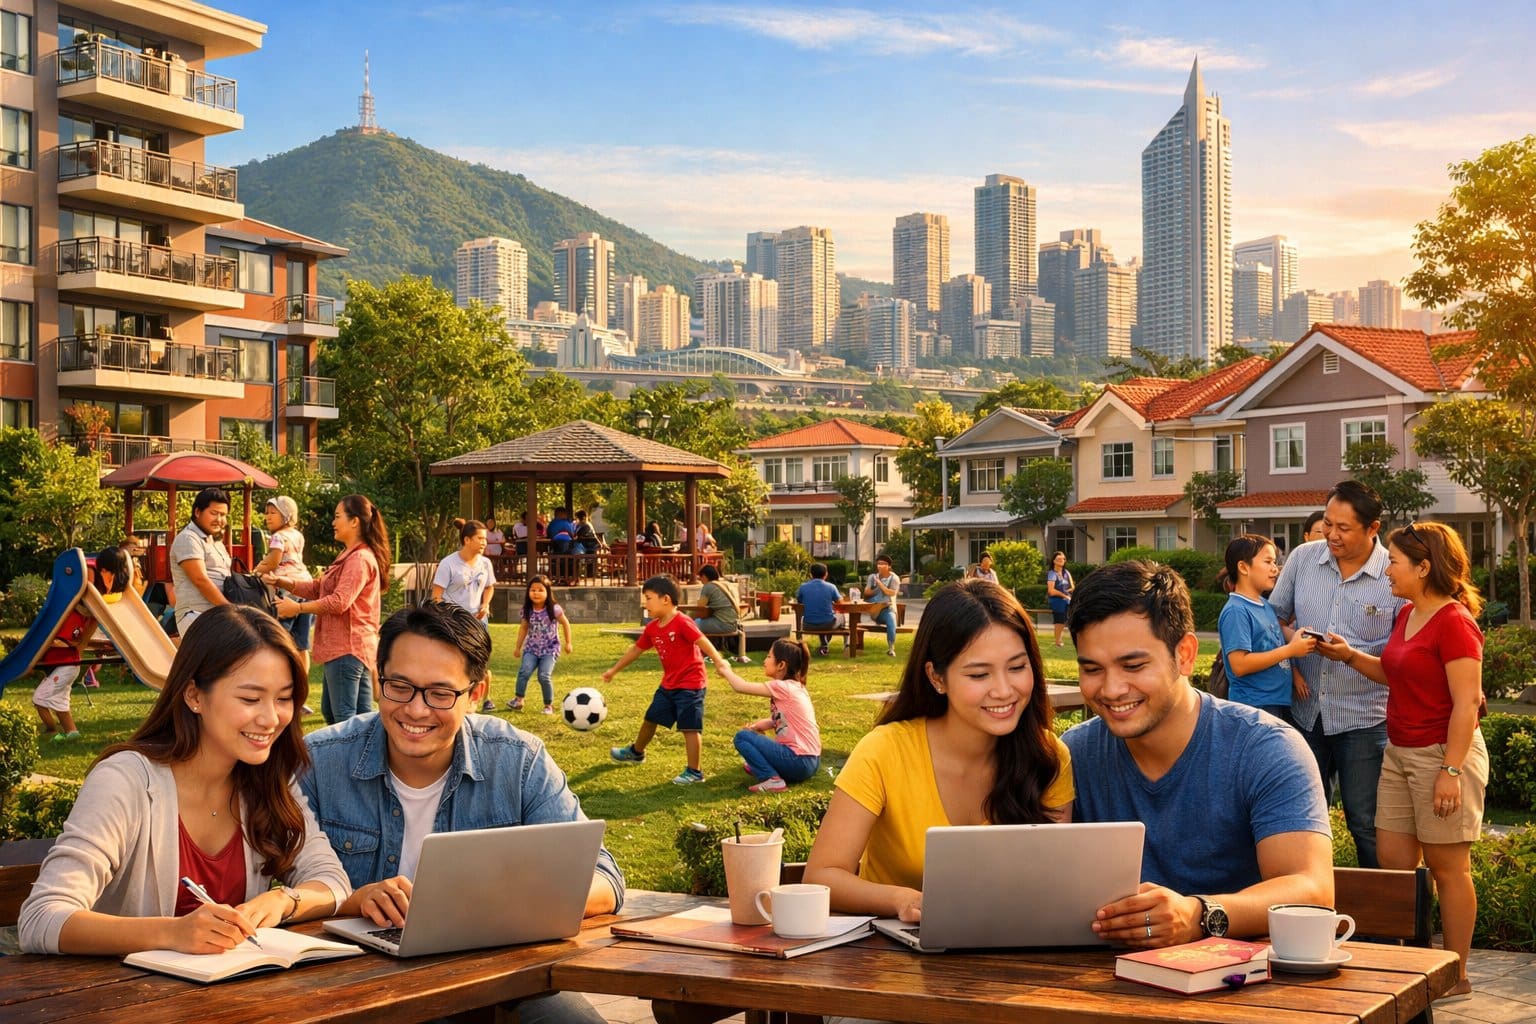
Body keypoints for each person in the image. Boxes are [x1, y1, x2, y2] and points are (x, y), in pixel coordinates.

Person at [298, 602, 620, 1024]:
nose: (416, 710)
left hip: (500, 982)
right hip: (352, 984)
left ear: (477, 692)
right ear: (378, 680)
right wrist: (354, 901)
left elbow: (603, 879)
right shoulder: (319, 762)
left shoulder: (517, 760)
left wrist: (494, 906)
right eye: (400, 686)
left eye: (440, 693)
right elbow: (279, 890)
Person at [19, 605, 350, 955]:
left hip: (237, 988)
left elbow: (332, 881)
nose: (271, 718)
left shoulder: (267, 779)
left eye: (284, 698)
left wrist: (284, 900)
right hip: (123, 989)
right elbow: (41, 917)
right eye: (251, 698)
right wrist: (173, 932)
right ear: (194, 695)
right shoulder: (125, 781)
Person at [1064, 560, 1332, 947]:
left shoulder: (1266, 748)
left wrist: (1198, 915)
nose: (1111, 689)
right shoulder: (1074, 756)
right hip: (1100, 976)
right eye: (1092, 669)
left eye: (1133, 665)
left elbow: (1312, 889)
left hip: (1244, 976)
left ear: (1185, 654)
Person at [804, 579, 1073, 920]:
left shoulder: (1048, 756)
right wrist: (901, 901)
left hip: (1012, 947)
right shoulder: (884, 750)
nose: (1004, 690)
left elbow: (1055, 883)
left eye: (1017, 668)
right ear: (937, 678)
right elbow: (822, 876)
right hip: (890, 950)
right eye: (979, 675)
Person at [1327, 522, 1487, 999]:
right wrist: (1349, 656)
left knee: (1448, 868)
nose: (1387, 570)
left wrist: (1451, 771)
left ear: (1423, 567)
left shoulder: (1455, 623)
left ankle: (1456, 974)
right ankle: (1413, 966)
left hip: (1443, 754)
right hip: (1399, 752)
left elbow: (1466, 703)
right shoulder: (1407, 614)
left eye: (1394, 562)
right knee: (1394, 866)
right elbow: (1395, 672)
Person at [1269, 480, 1404, 868]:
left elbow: (1400, 657)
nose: (1331, 535)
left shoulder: (1393, 575)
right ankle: (1310, 895)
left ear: (1373, 528)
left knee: (1366, 823)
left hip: (1364, 719)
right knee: (1301, 821)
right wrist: (1296, 641)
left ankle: (1379, 906)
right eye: (1328, 524)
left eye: (1343, 528)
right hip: (1305, 712)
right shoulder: (1303, 558)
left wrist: (1349, 656)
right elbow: (1274, 617)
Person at [270, 494, 390, 726]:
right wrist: (284, 582)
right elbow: (319, 588)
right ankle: (371, 750)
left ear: (354, 521)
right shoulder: (349, 555)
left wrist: (297, 608)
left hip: (348, 647)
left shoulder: (359, 559)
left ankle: (358, 752)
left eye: (337, 516)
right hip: (352, 648)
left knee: (343, 719)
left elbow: (339, 601)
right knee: (354, 717)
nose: (333, 522)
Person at [605, 575, 725, 785]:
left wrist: (719, 661)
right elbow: (636, 650)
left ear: (666, 599)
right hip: (669, 684)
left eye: (648, 598)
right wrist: (614, 670)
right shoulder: (652, 628)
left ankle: (695, 772)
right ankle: (636, 752)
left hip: (691, 684)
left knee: (690, 727)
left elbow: (702, 641)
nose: (645, 604)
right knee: (651, 718)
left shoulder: (682, 622)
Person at [33, 546, 131, 743]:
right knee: (61, 702)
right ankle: (72, 733)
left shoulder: (73, 620)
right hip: (67, 665)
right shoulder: (88, 576)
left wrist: (66, 643)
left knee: (39, 699)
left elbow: (75, 636)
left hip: (67, 665)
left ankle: (51, 731)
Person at [1217, 534, 1316, 721]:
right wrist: (1291, 650)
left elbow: (1275, 644)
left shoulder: (1264, 605)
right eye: (1268, 562)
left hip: (1274, 702)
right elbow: (1239, 665)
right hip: (1253, 708)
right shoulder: (1236, 610)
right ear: (1243, 567)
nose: (1275, 569)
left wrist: (1295, 670)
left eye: (1275, 562)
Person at [719, 638, 821, 794]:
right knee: (751, 736)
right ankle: (761, 766)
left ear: (781, 665)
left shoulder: (782, 686)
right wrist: (761, 725)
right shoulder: (797, 687)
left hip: (798, 761)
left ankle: (772, 779)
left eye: (768, 656)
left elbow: (741, 686)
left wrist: (726, 670)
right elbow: (786, 718)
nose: (764, 661)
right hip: (811, 762)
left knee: (742, 737)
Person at [255, 496, 314, 677]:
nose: (268, 517)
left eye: (273, 513)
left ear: (287, 515)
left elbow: (273, 562)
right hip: (305, 586)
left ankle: (279, 676)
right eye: (266, 513)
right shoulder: (297, 535)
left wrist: (256, 571)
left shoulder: (277, 537)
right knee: (301, 643)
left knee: (279, 638)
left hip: (286, 591)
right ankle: (302, 681)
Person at [168, 486, 232, 638]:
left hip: (217, 615)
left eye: (223, 515)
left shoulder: (215, 541)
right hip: (197, 615)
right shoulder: (188, 538)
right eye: (214, 513)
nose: (219, 520)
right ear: (197, 512)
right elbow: (200, 580)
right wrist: (229, 608)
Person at [511, 574, 572, 715]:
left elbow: (566, 624)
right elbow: (523, 628)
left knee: (544, 676)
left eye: (540, 590)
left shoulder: (554, 609)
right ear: (528, 592)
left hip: (550, 650)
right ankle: (518, 700)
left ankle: (548, 705)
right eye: (533, 590)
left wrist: (568, 643)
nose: (536, 593)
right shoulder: (527, 610)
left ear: (547, 592)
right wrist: (518, 647)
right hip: (531, 649)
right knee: (524, 671)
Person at [796, 562, 844, 656]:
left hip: (807, 625)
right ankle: (847, 645)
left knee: (821, 616)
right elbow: (841, 604)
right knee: (841, 616)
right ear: (826, 574)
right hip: (828, 625)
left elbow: (799, 601)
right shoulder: (831, 587)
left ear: (810, 574)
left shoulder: (803, 587)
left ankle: (824, 645)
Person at [861, 554, 903, 657]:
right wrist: (876, 588)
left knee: (891, 621)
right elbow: (866, 593)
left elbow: (891, 593)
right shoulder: (872, 577)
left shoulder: (894, 578)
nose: (880, 566)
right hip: (874, 609)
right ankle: (855, 644)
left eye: (883, 564)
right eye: (879, 563)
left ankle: (891, 648)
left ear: (889, 566)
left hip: (888, 608)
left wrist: (880, 584)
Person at [693, 564, 741, 641]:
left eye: (700, 578)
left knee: (691, 624)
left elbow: (700, 606)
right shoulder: (727, 584)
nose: (701, 581)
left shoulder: (708, 586)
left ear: (704, 576)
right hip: (735, 624)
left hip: (723, 624)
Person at [1046, 551, 1074, 647]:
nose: (1062, 560)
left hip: (1067, 599)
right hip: (1057, 600)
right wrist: (1064, 595)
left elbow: (1072, 587)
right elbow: (1051, 591)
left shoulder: (1066, 572)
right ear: (1054, 561)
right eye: (1059, 559)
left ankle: (1061, 640)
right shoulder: (1052, 573)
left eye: (1063, 559)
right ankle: (1058, 641)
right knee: (1059, 620)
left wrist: (1068, 593)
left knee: (1066, 620)